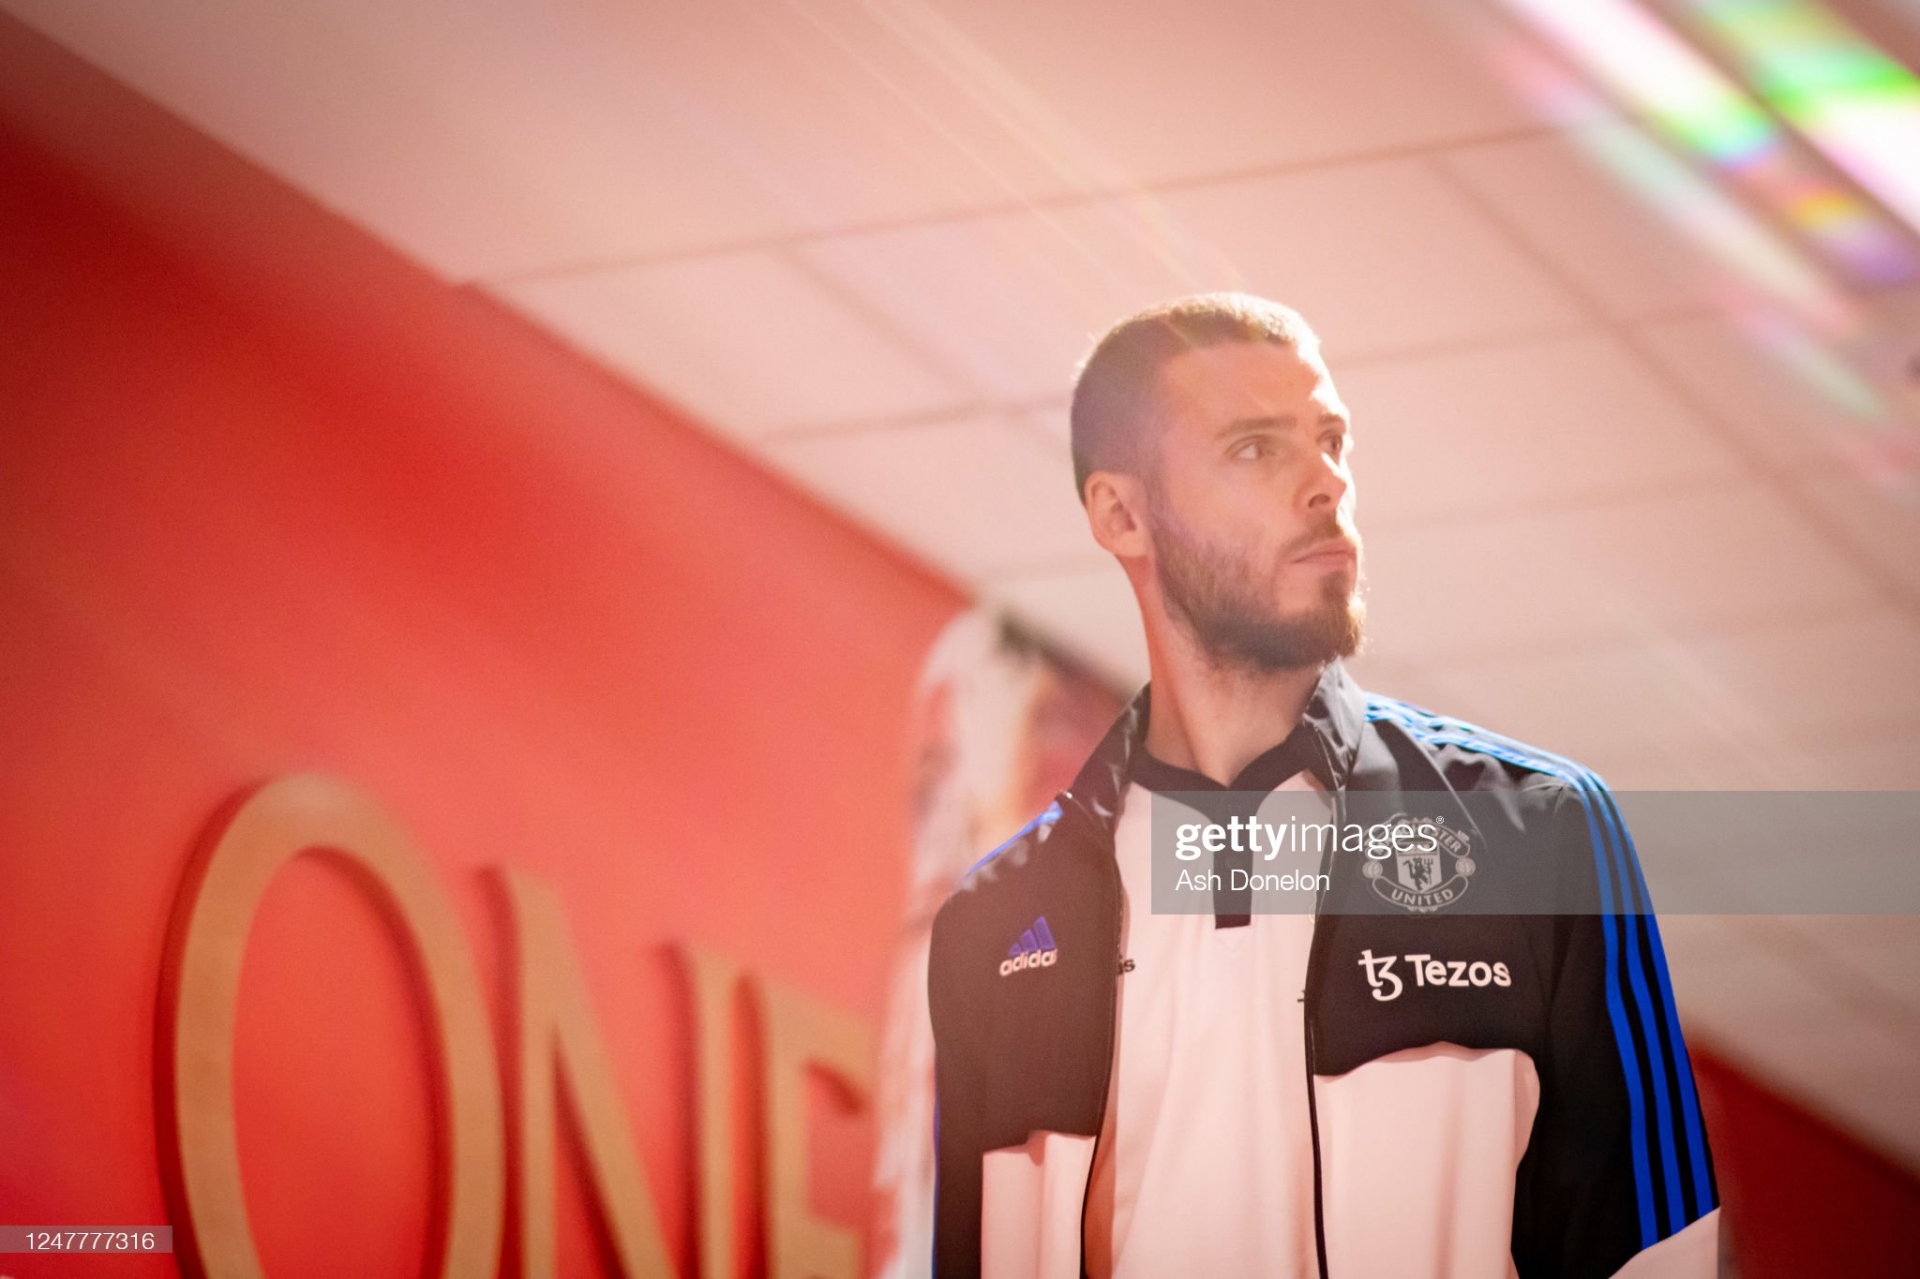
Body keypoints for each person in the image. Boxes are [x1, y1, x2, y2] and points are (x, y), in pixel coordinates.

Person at [925, 294, 1718, 1278]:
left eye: (1331, 439)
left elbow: (1656, 1255)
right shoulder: (997, 921)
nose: (1327, 483)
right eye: (1258, 449)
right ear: (1123, 516)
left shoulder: (1538, 831)